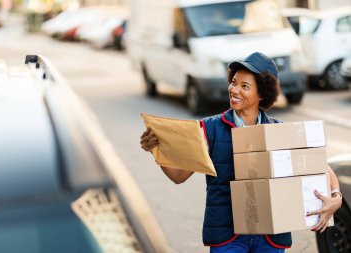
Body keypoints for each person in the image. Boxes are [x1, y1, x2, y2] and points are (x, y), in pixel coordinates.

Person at [140, 52, 342, 253]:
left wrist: (336, 197)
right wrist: (156, 150)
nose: (234, 90)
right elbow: (178, 175)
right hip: (228, 238)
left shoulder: (279, 131)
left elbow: (321, 168)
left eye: (244, 86)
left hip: (270, 237)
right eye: (234, 82)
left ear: (262, 93)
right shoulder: (209, 129)